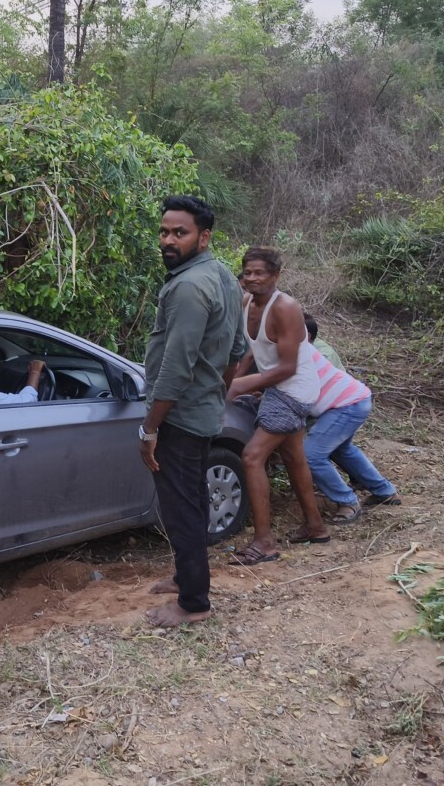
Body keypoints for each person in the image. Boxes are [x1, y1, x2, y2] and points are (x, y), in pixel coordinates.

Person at [139, 195, 245, 628]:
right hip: (202, 412)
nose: (168, 240)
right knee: (195, 501)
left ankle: (193, 604)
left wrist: (150, 429)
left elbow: (175, 367)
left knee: (181, 507)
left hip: (179, 418)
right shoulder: (222, 276)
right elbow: (236, 352)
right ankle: (187, 577)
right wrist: (216, 397)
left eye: (179, 233)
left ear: (203, 237)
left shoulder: (187, 287)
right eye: (164, 231)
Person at [227, 246, 328, 563]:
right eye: (247, 272)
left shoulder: (286, 308)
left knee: (252, 456)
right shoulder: (245, 303)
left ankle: (264, 542)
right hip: (276, 387)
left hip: (294, 388)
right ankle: (315, 526)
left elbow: (288, 367)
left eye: (259, 273)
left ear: (275, 276)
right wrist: (234, 379)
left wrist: (241, 385)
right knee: (294, 457)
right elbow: (250, 351)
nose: (252, 278)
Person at [302, 314, 401, 522]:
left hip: (346, 404)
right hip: (353, 400)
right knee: (341, 450)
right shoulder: (297, 345)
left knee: (310, 455)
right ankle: (384, 491)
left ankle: (348, 502)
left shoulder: (297, 348)